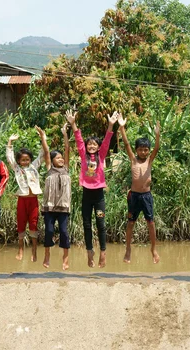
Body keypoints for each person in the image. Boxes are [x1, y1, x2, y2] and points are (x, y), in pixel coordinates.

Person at [66, 109, 119, 268]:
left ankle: (103, 252)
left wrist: (110, 126)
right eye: (90, 144)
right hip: (86, 196)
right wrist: (73, 123)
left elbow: (107, 142)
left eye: (94, 144)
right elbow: (79, 140)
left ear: (97, 147)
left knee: (101, 223)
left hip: (99, 197)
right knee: (87, 224)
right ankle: (90, 252)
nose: (91, 146)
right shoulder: (83, 156)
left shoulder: (102, 155)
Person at [117, 114, 161, 264]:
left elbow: (157, 147)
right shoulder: (133, 160)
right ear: (137, 150)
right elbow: (127, 144)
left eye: (145, 149)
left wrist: (157, 134)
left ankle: (153, 249)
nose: (143, 152)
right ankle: (128, 249)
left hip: (146, 196)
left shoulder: (149, 160)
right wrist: (122, 127)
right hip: (134, 196)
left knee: (151, 223)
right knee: (130, 223)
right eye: (141, 149)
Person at [6, 129, 46, 262]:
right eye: (22, 160)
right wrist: (10, 142)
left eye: (27, 159)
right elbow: (10, 159)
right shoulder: (17, 169)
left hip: (33, 199)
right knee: (21, 224)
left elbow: (42, 154)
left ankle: (34, 250)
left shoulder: (34, 167)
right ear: (19, 161)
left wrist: (42, 138)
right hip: (22, 200)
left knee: (34, 224)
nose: (25, 162)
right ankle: (21, 249)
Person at [37, 124, 71, 270]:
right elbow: (46, 151)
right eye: (58, 158)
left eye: (61, 157)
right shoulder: (49, 169)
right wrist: (44, 138)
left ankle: (65, 258)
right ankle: (47, 255)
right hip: (50, 207)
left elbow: (68, 149)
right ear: (52, 160)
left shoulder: (66, 168)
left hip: (63, 207)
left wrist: (65, 134)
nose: (61, 159)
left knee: (64, 232)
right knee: (49, 231)